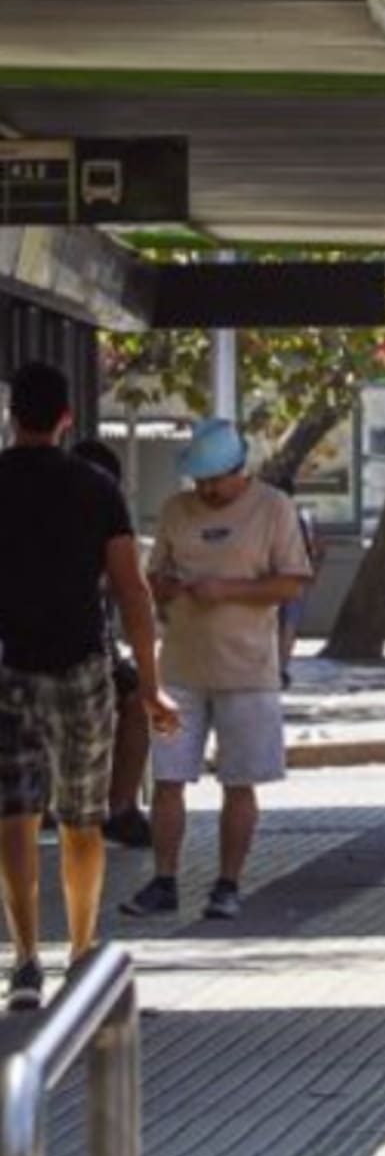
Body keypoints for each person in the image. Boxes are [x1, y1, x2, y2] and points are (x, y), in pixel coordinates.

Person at [0, 362, 178, 1009]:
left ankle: (22, 960)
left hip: (8, 666)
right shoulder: (96, 487)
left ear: (12, 415)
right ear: (67, 418)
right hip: (81, 666)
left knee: (14, 818)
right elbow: (131, 590)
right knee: (82, 818)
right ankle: (79, 949)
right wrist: (152, 686)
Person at [121, 418, 312, 921]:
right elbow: (151, 575)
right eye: (199, 481)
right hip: (180, 665)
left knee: (239, 780)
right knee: (167, 778)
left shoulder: (274, 508)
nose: (206, 490)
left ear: (238, 471)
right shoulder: (175, 510)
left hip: (247, 668)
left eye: (215, 480)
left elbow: (293, 582)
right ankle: (164, 880)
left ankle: (228, 883)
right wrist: (163, 585)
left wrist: (227, 591)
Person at [71, 438, 155, 849]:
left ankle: (120, 805)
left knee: (137, 697)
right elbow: (131, 592)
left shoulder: (107, 523)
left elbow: (131, 592)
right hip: (51, 653)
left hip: (95, 648)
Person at [271, 474, 324, 689]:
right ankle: (282, 667)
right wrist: (312, 573)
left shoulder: (268, 517)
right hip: (296, 576)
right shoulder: (302, 517)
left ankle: (274, 666)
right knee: (290, 623)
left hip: (271, 578)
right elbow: (318, 548)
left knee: (274, 623)